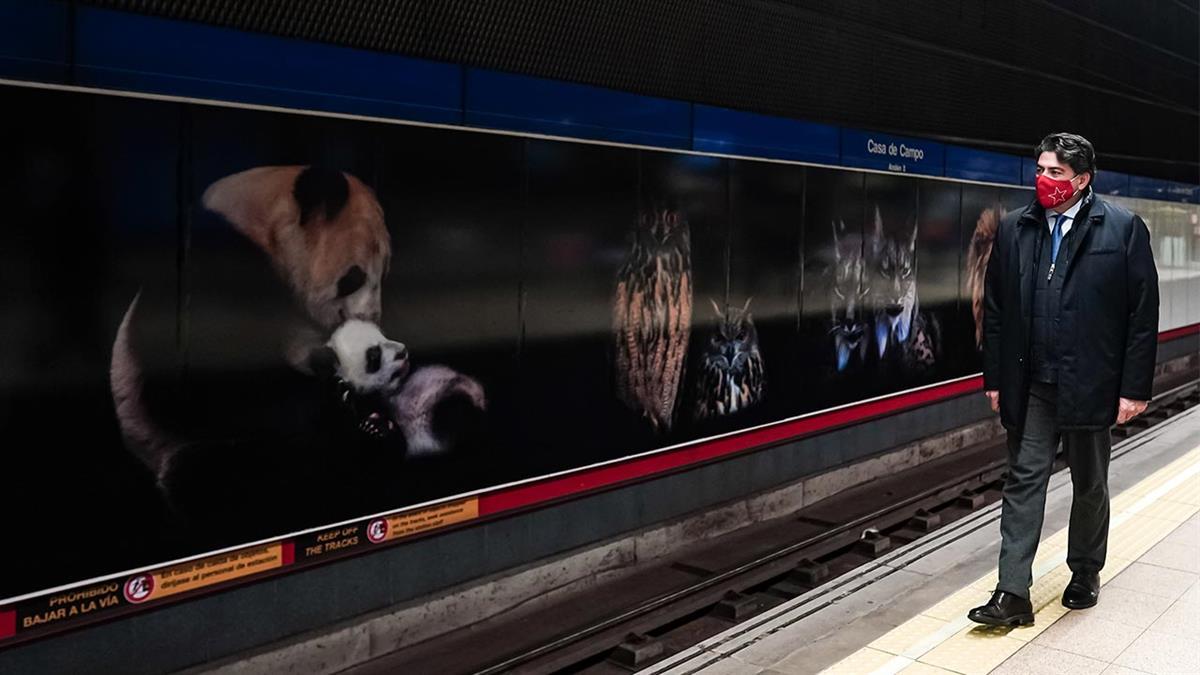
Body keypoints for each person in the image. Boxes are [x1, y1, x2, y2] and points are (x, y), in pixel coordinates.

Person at [968, 132, 1159, 626]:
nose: (1044, 180)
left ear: (1083, 180)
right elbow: (997, 309)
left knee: (1089, 482)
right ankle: (1012, 593)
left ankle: (1084, 571)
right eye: (1040, 169)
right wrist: (994, 377)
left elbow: (1142, 315)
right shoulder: (1015, 228)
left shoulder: (1121, 229)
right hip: (1031, 382)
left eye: (1056, 172)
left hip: (1090, 381)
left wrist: (1133, 387)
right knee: (1023, 481)